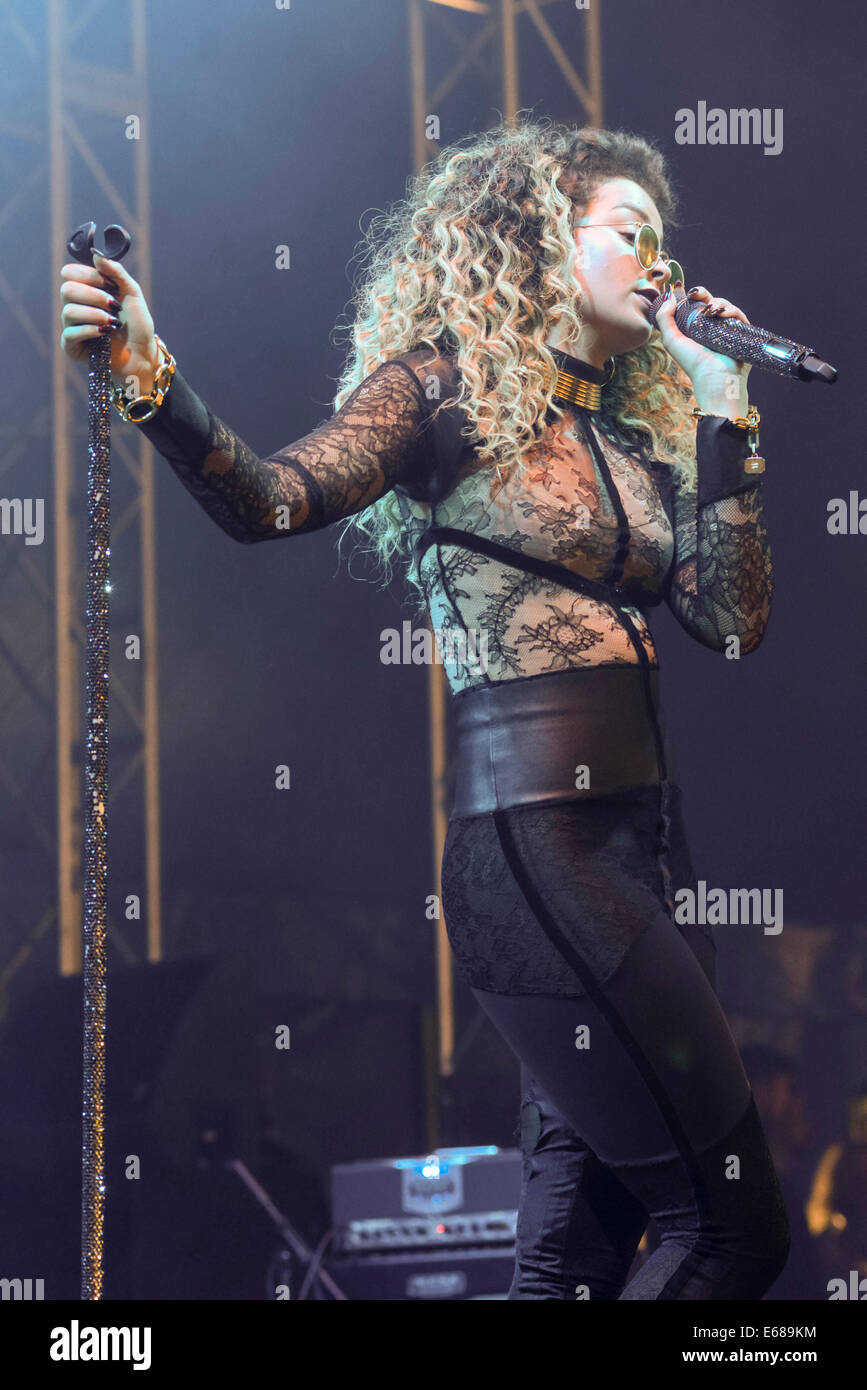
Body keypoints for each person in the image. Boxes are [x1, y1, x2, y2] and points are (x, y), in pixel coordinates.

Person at [60, 119, 790, 1300]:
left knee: (572, 1256)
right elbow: (272, 497)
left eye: (666, 238)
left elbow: (736, 623)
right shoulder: (441, 388)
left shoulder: (634, 433)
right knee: (733, 1234)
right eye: (629, 231)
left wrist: (725, 408)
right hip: (541, 851)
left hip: (648, 851)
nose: (660, 260)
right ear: (546, 238)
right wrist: (152, 371)